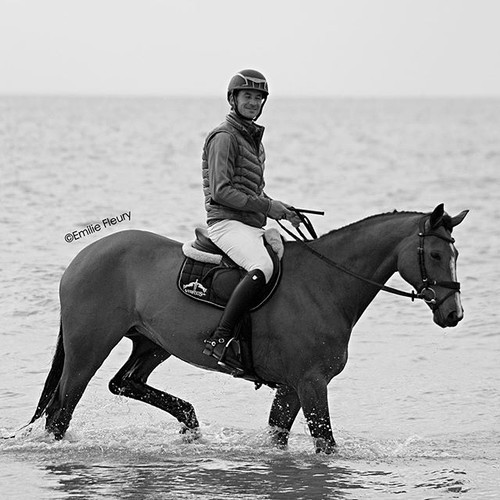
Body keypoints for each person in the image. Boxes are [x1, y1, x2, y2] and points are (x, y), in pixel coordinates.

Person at [201, 69, 301, 373]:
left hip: (249, 224)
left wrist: (280, 207)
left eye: (259, 98)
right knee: (263, 267)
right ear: (233, 99)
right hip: (226, 223)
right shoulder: (225, 137)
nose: (253, 102)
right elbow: (221, 191)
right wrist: (269, 207)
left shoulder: (253, 140)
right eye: (248, 96)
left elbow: (251, 190)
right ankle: (220, 339)